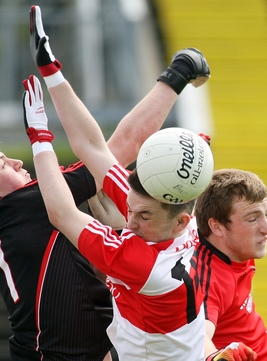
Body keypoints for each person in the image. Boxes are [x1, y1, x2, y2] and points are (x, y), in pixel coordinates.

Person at [0, 8, 211, 361]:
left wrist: (43, 131)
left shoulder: (13, 217)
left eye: (142, 216)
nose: (16, 161)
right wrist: (175, 76)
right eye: (3, 163)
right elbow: (112, 151)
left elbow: (98, 158)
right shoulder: (29, 205)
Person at [23, 7, 255, 361]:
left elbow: (60, 212)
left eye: (142, 217)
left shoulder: (139, 261)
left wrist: (40, 139)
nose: (129, 222)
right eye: (131, 209)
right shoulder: (162, 205)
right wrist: (52, 73)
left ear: (180, 221)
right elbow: (94, 148)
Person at [193, 169, 267, 361]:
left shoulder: (236, 249)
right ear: (216, 227)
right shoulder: (208, 279)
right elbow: (197, 338)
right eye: (252, 219)